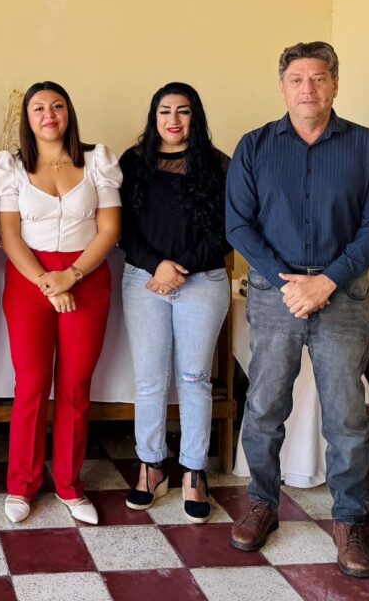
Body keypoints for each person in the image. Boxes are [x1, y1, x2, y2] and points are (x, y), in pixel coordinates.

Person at [226, 42, 369, 578]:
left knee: (345, 416)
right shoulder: (254, 146)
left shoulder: (367, 146)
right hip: (275, 294)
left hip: (342, 295)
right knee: (264, 406)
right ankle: (262, 502)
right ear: (282, 87)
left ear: (335, 85)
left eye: (319, 78)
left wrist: (325, 281)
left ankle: (349, 520)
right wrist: (288, 282)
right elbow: (238, 225)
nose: (308, 88)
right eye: (297, 79)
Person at [0, 81, 121, 525]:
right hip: (30, 279)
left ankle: (69, 484)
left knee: (75, 386)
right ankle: (22, 485)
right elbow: (9, 234)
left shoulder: (98, 159)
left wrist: (72, 276)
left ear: (69, 112)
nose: (49, 115)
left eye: (57, 106)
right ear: (27, 119)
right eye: (39, 108)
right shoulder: (11, 165)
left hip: (86, 278)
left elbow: (109, 229)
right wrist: (50, 283)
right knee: (31, 383)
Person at [119, 82, 230, 523]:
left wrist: (179, 267)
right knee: (149, 379)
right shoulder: (133, 162)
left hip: (203, 281)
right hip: (144, 280)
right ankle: (150, 466)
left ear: (194, 116)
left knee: (194, 378)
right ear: (154, 116)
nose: (173, 120)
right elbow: (120, 228)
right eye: (165, 111)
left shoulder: (217, 164)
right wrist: (157, 267)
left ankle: (193, 471)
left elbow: (228, 230)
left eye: (183, 111)